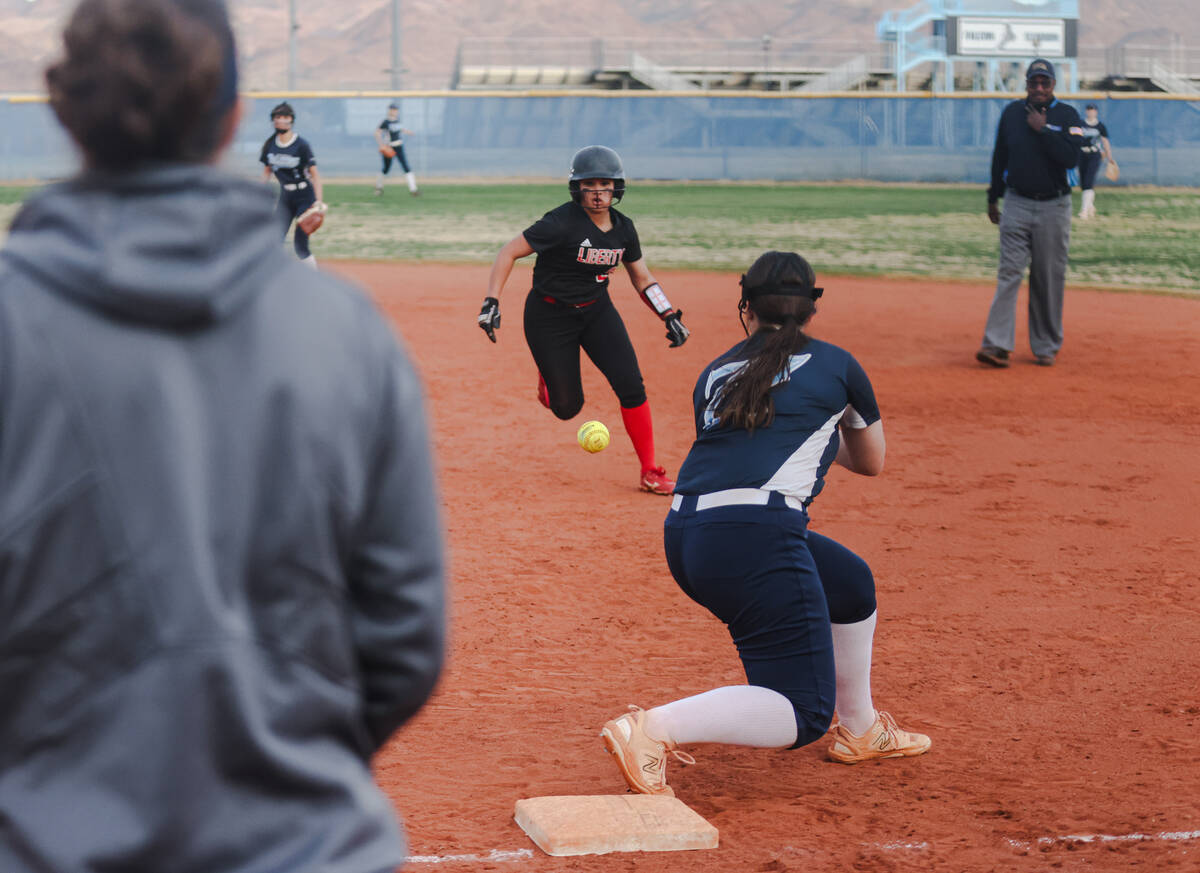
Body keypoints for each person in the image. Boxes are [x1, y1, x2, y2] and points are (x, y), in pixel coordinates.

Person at [0, 2, 446, 871]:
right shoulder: (346, 330)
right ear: (237, 119)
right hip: (308, 845)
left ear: (64, 113)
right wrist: (279, 766)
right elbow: (404, 637)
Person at [599, 251, 930, 797]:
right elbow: (871, 461)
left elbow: (744, 445)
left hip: (687, 534)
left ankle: (863, 728)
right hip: (757, 536)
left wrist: (812, 425)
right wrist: (829, 422)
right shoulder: (837, 365)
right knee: (802, 712)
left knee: (848, 585)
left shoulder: (716, 371)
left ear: (745, 306)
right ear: (809, 311)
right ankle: (651, 729)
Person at [477, 145, 689, 495]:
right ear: (577, 188)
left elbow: (642, 277)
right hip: (548, 317)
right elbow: (509, 252)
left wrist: (669, 314)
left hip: (597, 312)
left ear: (617, 188)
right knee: (566, 408)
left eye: (605, 184)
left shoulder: (624, 229)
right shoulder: (560, 222)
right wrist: (491, 301)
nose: (597, 193)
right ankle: (549, 379)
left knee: (631, 385)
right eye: (589, 184)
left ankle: (651, 470)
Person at [976, 58, 1084, 369]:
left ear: (1053, 85)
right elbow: (1000, 158)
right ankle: (996, 344)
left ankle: (1046, 346)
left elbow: (1070, 158)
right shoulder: (1011, 113)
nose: (1039, 87)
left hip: (1054, 206)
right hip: (1016, 203)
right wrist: (992, 198)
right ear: (1026, 83)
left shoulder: (1067, 115)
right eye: (1034, 82)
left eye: (1044, 82)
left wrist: (1043, 131)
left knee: (1047, 277)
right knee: (1009, 273)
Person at [260, 100, 325, 267]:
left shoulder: (301, 145)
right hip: (286, 197)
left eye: (284, 117)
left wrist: (318, 202)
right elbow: (267, 172)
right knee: (275, 239)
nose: (280, 120)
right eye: (277, 117)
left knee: (299, 244)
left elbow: (315, 175)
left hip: (305, 196)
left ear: (291, 120)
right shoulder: (270, 145)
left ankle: (313, 281)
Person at [1076, 103, 1114, 220]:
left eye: (1092, 110)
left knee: (1089, 181)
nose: (1091, 112)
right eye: (1089, 110)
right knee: (1083, 183)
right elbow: (1075, 138)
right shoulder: (1080, 124)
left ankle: (1084, 211)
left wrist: (1109, 156)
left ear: (1096, 112)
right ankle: (1090, 206)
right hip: (1082, 154)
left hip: (1094, 155)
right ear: (1086, 111)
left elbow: (1105, 141)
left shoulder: (1100, 126)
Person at [374, 101, 420, 196]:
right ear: (389, 110)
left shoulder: (397, 120)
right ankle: (379, 188)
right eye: (393, 109)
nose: (395, 111)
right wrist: (381, 145)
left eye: (396, 110)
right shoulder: (386, 122)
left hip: (399, 146)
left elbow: (399, 129)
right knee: (386, 169)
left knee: (406, 167)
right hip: (389, 147)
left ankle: (413, 190)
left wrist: (408, 132)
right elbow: (377, 133)